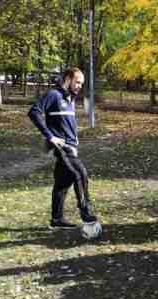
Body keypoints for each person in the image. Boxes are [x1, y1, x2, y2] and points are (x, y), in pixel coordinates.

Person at [28, 67, 100, 232]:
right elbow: (34, 112)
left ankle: (57, 219)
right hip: (62, 146)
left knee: (62, 183)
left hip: (71, 145)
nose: (79, 86)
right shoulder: (54, 95)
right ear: (67, 79)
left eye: (81, 83)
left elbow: (65, 122)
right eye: (77, 82)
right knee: (80, 174)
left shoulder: (69, 99)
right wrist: (50, 136)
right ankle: (86, 213)